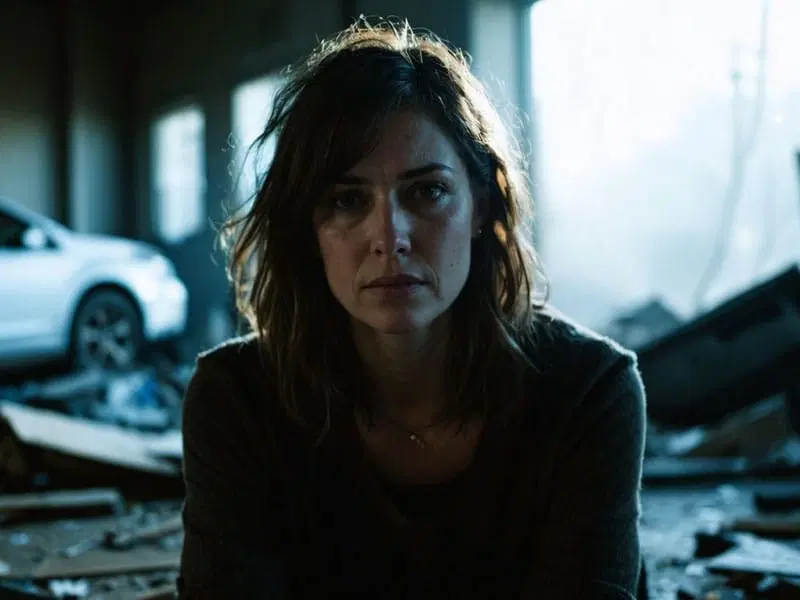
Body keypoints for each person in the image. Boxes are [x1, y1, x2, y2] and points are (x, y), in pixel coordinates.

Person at [178, 18, 647, 600]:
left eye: (426, 191)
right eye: (348, 200)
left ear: (480, 206)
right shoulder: (238, 400)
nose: (390, 235)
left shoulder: (587, 392)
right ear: (309, 228)